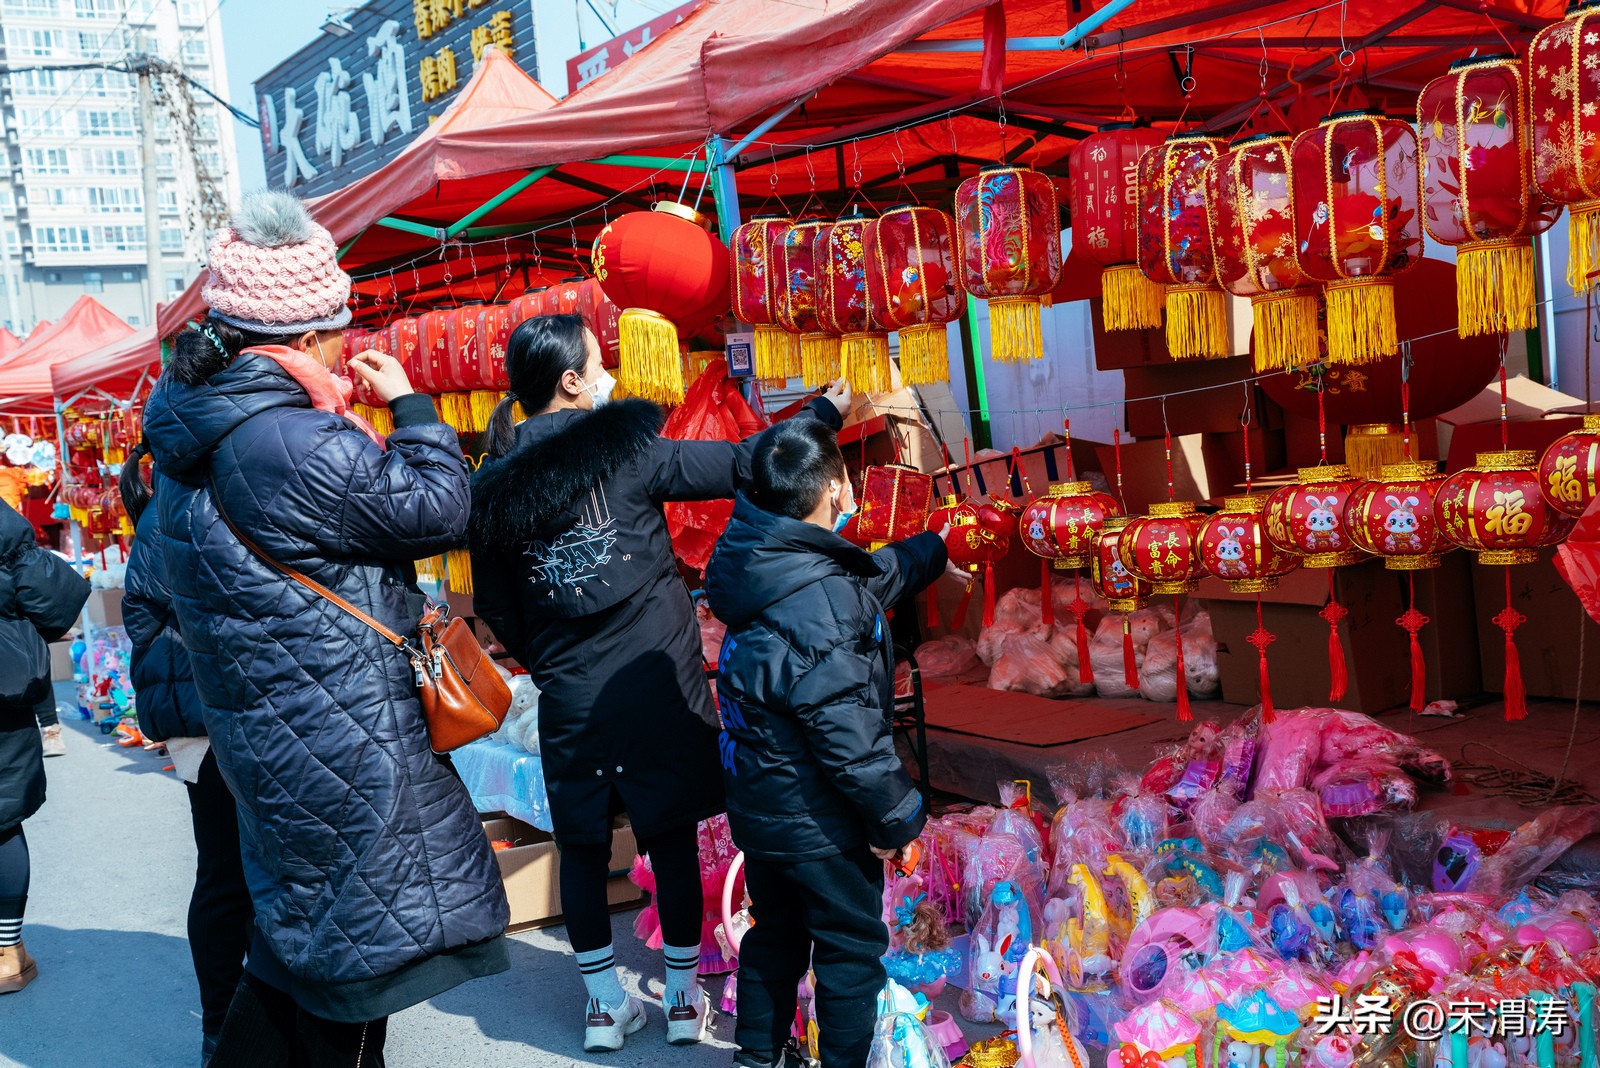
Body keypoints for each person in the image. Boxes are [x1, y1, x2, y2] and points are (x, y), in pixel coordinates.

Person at [140, 191, 509, 1067]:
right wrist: (414, 409)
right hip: (339, 744)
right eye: (336, 328)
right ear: (302, 339)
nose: (346, 344)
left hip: (278, 733)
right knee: (343, 973)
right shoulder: (288, 440)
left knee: (301, 952)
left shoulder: (200, 434)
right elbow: (439, 508)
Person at [468, 313, 847, 1052]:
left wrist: (545, 657)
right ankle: (680, 1000)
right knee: (668, 837)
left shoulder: (493, 487)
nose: (609, 369)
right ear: (572, 380)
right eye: (598, 359)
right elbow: (745, 464)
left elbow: (494, 605)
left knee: (581, 847)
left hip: (572, 695)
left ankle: (605, 1008)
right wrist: (823, 413)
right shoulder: (628, 450)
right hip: (654, 679)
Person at [705, 418, 945, 1068]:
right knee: (847, 949)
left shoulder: (763, 565)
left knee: (775, 936)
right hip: (822, 823)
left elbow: (876, 576)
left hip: (764, 811)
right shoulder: (825, 601)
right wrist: (896, 822)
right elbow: (854, 744)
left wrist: (936, 545)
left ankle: (757, 1056)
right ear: (836, 488)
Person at [122, 442, 254, 1066]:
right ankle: (224, 1030)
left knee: (230, 875)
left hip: (208, 712)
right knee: (231, 877)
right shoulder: (189, 502)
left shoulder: (173, 499)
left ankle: (231, 1027)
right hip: (212, 712)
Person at [0, 497, 89, 993]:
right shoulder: (4, 527)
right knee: (2, 820)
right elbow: (52, 607)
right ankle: (8, 953)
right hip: (5, 688)